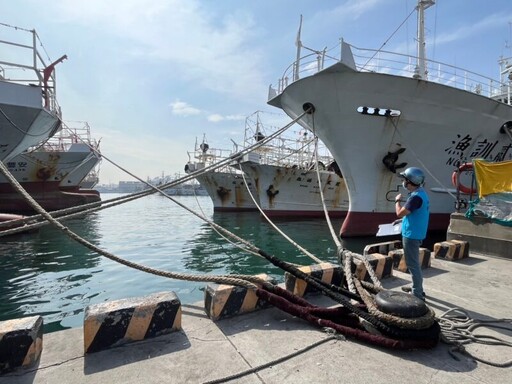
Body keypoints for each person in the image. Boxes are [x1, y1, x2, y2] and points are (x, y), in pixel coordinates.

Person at [394, 167, 430, 301]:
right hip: (417, 232)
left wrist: (397, 201)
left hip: (411, 235)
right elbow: (413, 214)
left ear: (410, 182)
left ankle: (417, 293)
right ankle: (417, 287)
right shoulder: (421, 194)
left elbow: (399, 212)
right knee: (414, 263)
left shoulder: (415, 198)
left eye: (404, 179)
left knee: (413, 264)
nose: (403, 182)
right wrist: (401, 220)